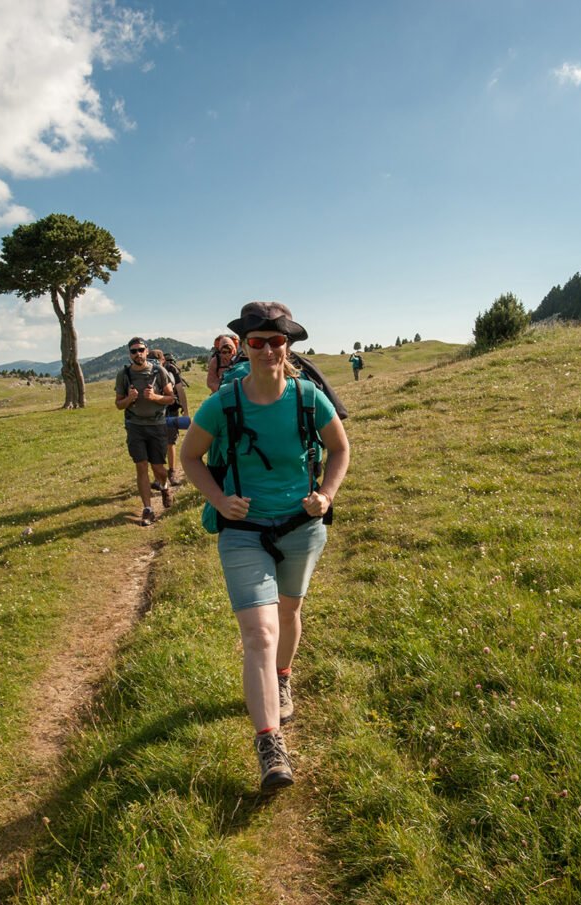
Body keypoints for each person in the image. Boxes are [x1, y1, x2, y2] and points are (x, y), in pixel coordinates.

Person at [181, 302, 350, 792]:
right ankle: (270, 745)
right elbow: (190, 456)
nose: (268, 349)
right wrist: (219, 499)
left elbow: (340, 448)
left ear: (288, 346)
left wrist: (327, 494)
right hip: (244, 531)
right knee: (258, 631)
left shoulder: (308, 398)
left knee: (290, 611)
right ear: (245, 345)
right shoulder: (223, 403)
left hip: (301, 525)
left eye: (277, 341)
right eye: (257, 341)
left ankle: (282, 676)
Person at [115, 337, 177, 526]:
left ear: (146, 351)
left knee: (158, 468)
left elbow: (170, 398)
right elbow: (119, 404)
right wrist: (129, 399)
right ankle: (148, 509)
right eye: (133, 351)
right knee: (141, 465)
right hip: (135, 426)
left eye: (140, 350)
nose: (138, 354)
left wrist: (155, 396)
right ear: (129, 354)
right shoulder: (124, 375)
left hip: (157, 425)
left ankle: (164, 487)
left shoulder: (159, 371)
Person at [150, 349, 189, 486]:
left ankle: (171, 472)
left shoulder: (170, 369)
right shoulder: (149, 371)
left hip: (170, 411)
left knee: (169, 442)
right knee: (159, 444)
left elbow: (180, 390)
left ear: (163, 361)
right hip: (156, 412)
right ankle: (161, 476)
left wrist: (185, 410)